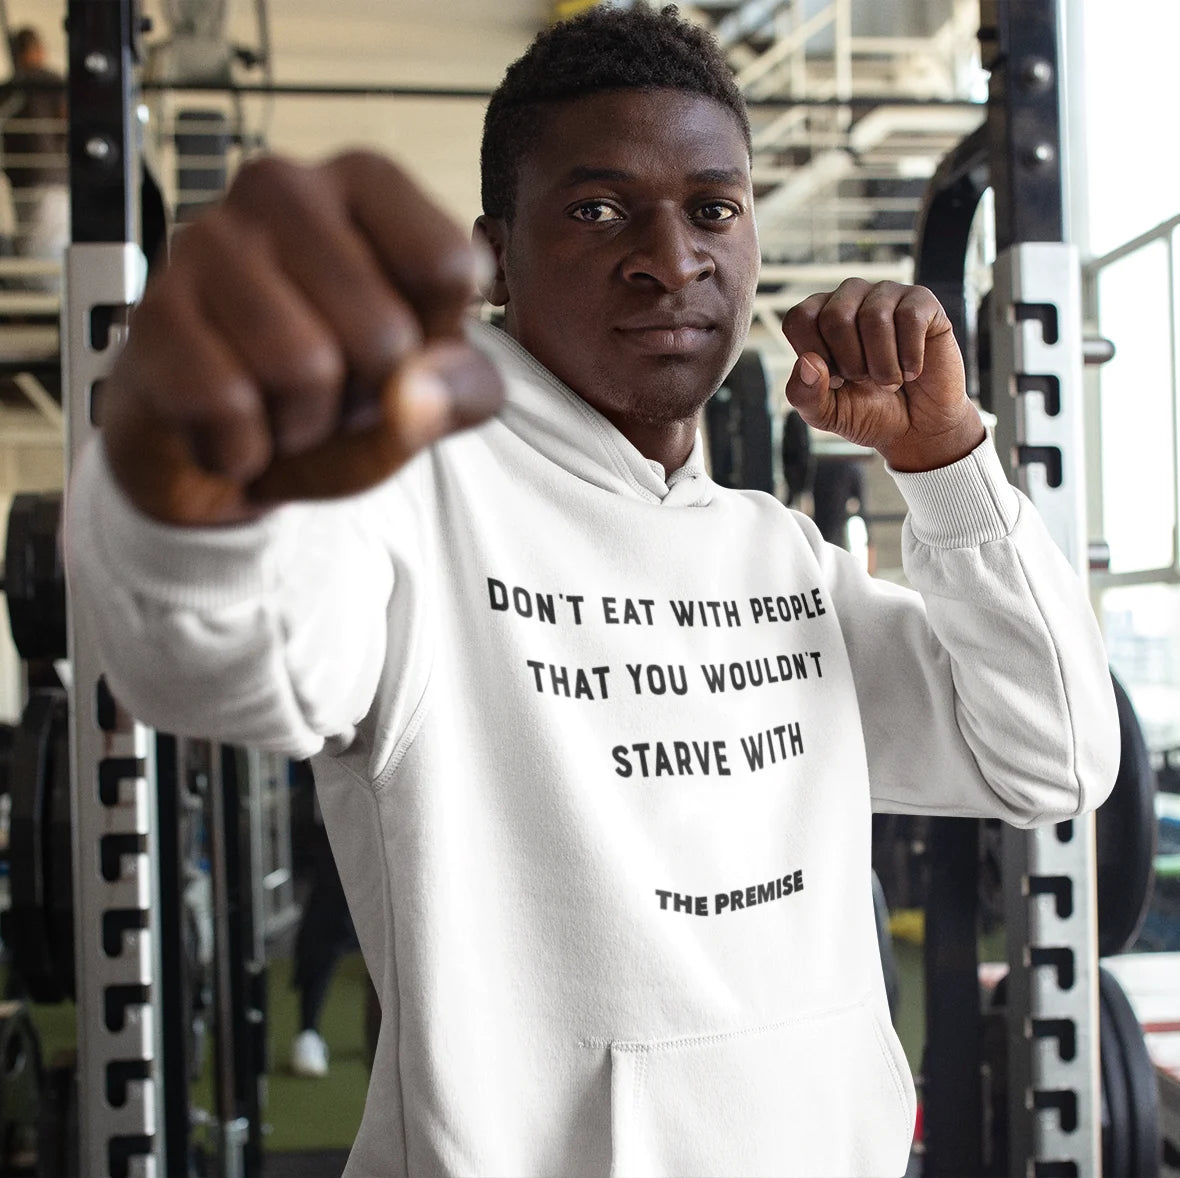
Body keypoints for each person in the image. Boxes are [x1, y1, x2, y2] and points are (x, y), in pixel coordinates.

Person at [64, 6, 1119, 1175]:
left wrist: (949, 465)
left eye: (712, 208)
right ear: (497, 250)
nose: (671, 258)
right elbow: (211, 655)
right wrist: (185, 475)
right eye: (597, 208)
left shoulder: (779, 553)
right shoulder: (411, 502)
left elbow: (1055, 753)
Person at [0, 27, 67, 291]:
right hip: (52, 176)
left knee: (29, 239)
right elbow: (67, 118)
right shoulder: (50, 81)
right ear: (37, 50)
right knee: (48, 241)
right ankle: (47, 292)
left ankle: (34, 292)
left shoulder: (9, 89)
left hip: (22, 179)